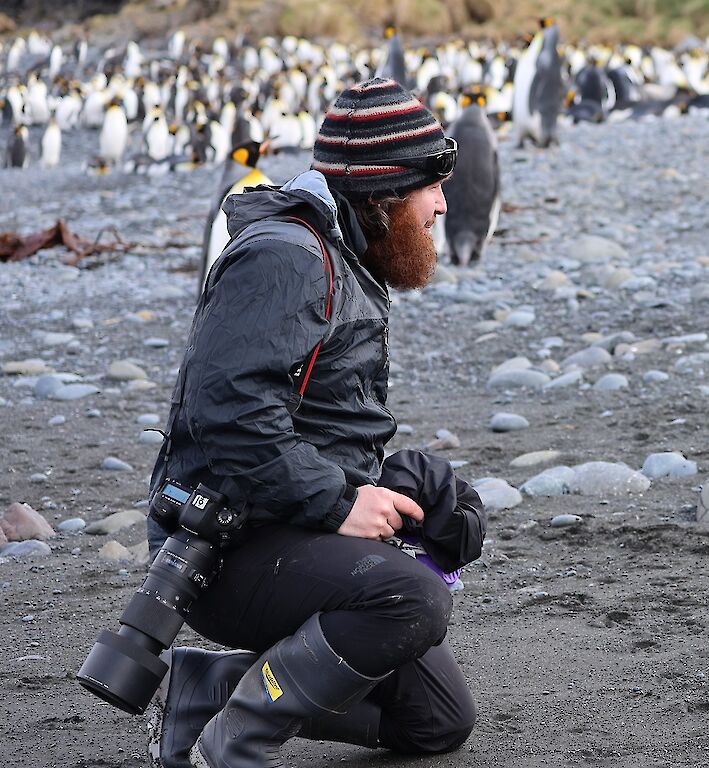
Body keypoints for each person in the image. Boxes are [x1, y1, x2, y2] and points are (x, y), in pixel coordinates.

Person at [143, 77, 479, 768]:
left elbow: (314, 425)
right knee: (409, 601)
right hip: (226, 545)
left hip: (282, 521)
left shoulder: (343, 254)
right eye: (430, 186)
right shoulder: (287, 257)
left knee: (438, 719)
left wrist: (411, 487)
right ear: (383, 194)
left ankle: (204, 693)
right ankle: (233, 746)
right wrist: (338, 500)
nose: (444, 204)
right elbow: (225, 409)